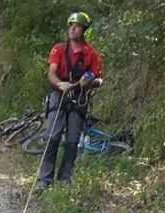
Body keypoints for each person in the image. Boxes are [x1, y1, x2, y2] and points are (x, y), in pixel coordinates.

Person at [37, 12, 103, 189]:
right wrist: (60, 84)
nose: (72, 29)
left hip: (79, 96)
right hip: (59, 94)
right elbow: (51, 72)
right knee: (53, 136)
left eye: (77, 26)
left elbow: (99, 79)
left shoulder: (91, 53)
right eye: (71, 25)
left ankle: (65, 178)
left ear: (83, 30)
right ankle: (44, 179)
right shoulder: (59, 49)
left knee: (72, 140)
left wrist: (89, 82)